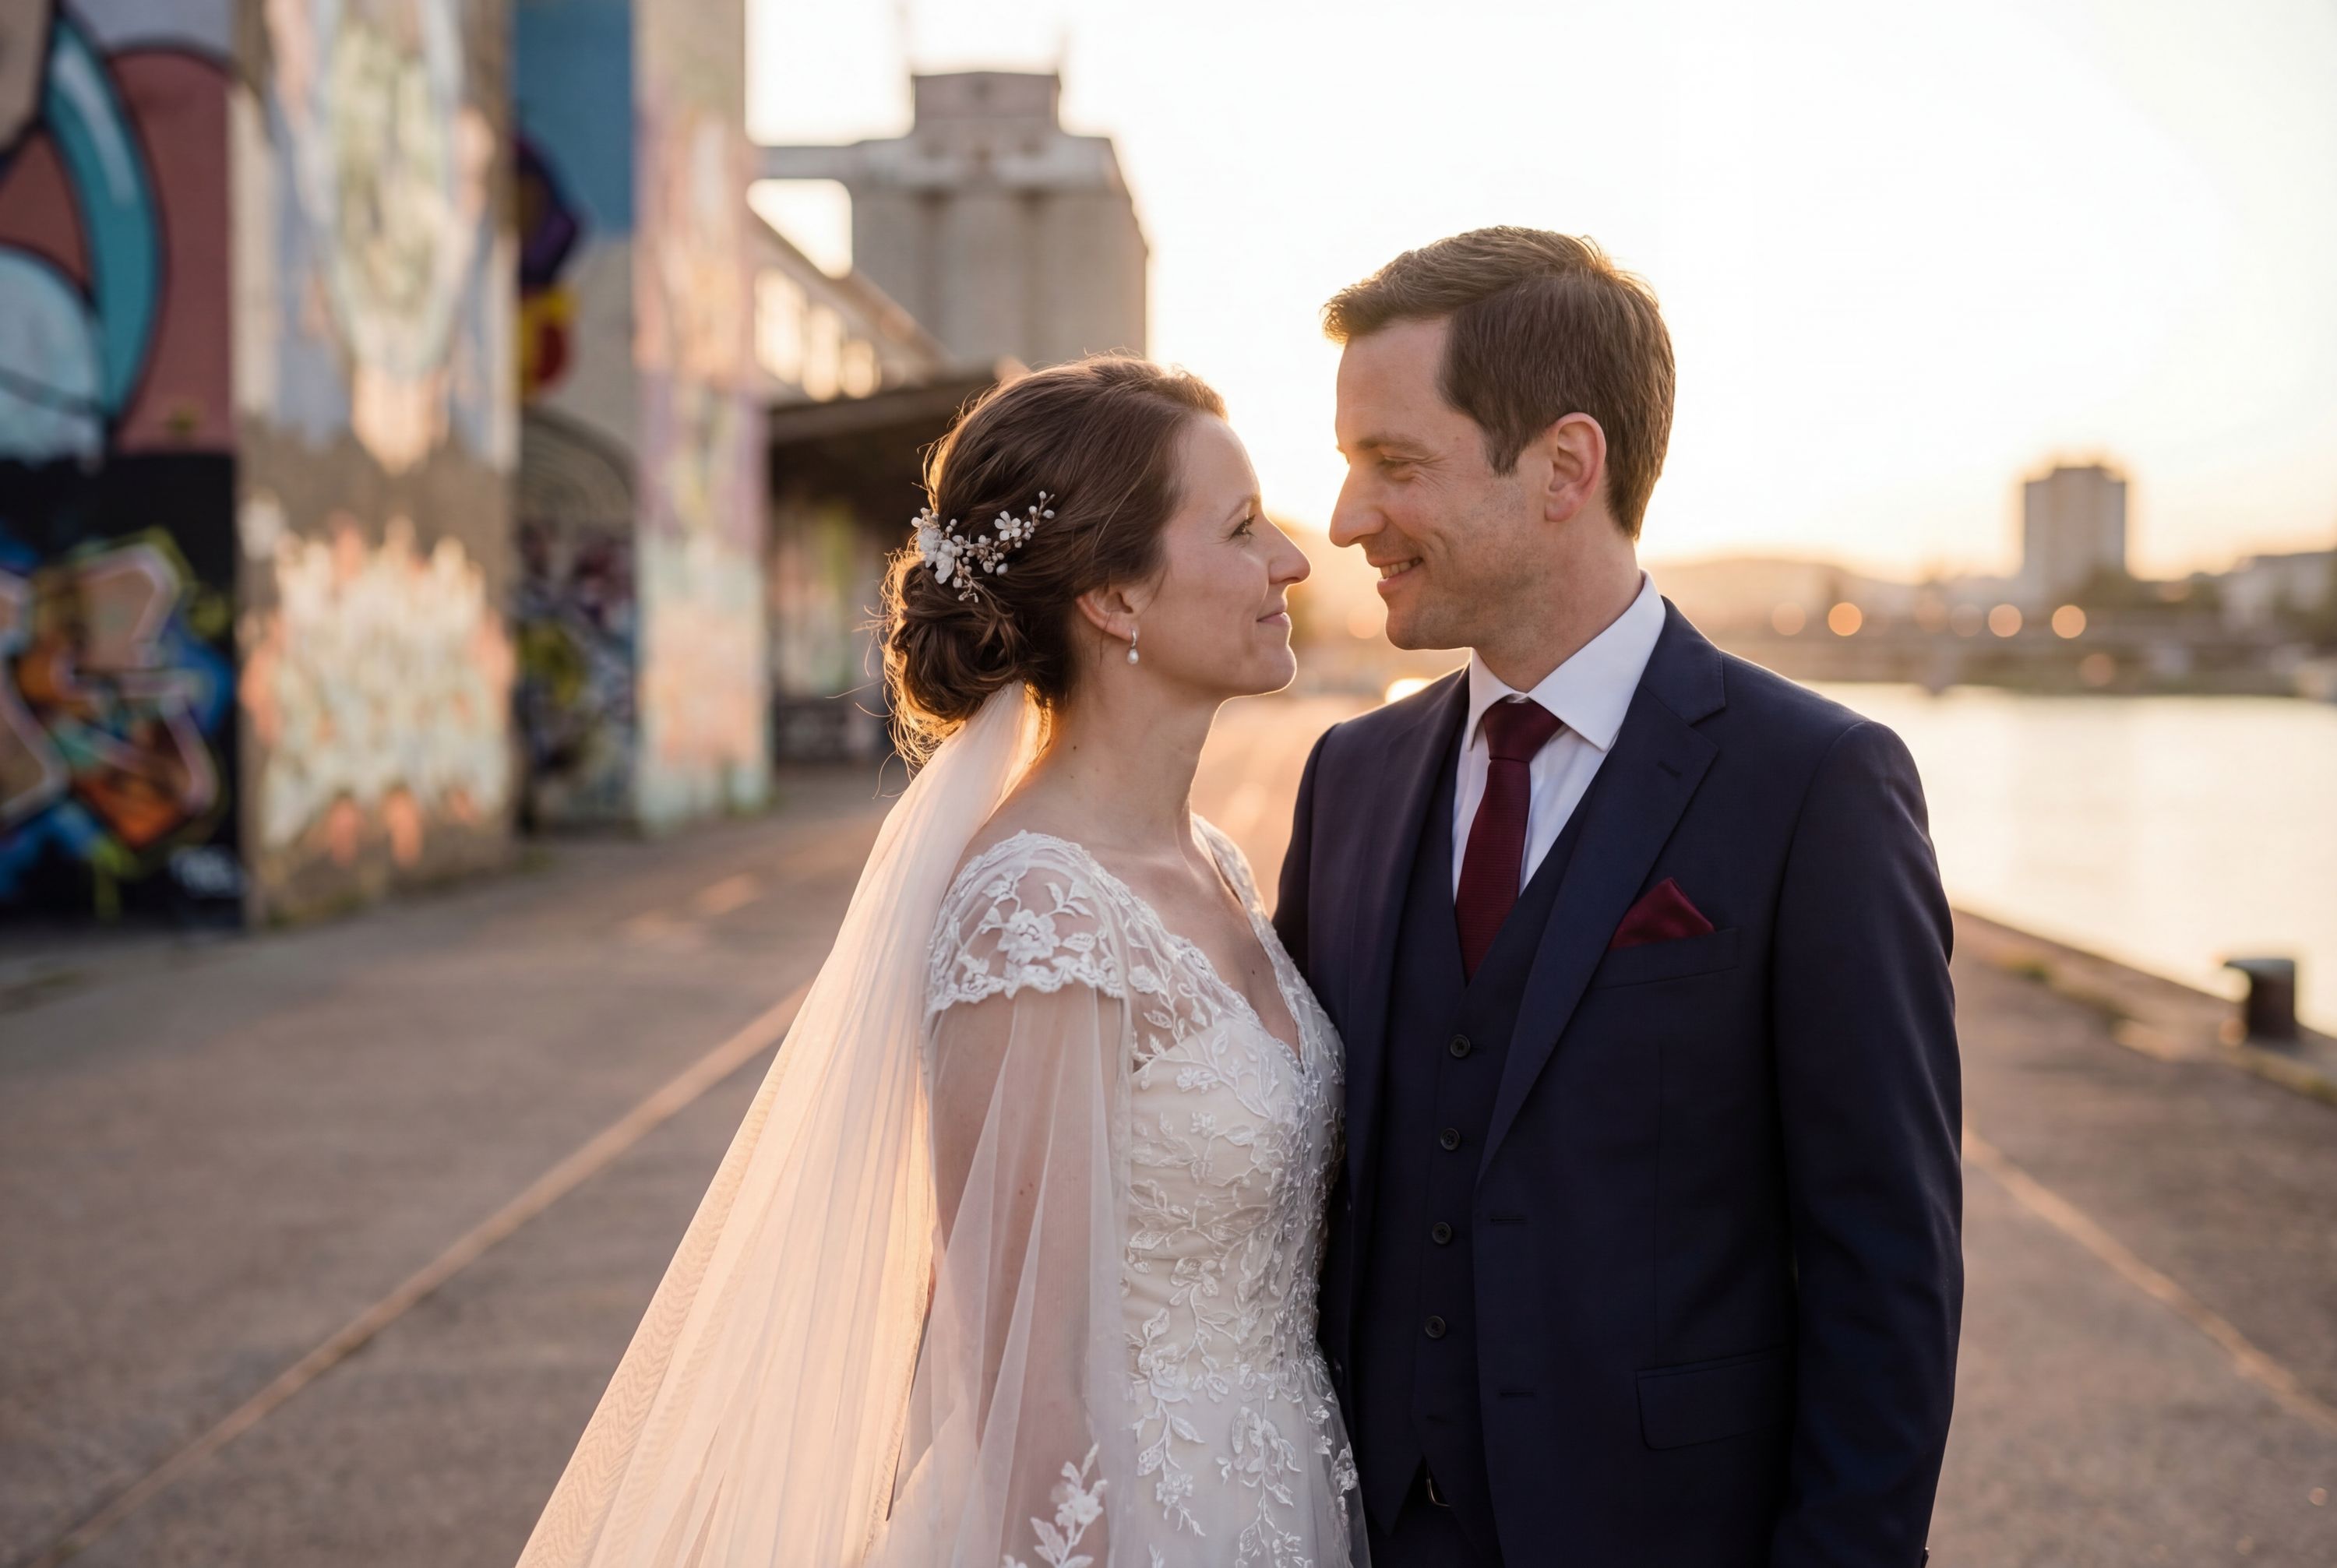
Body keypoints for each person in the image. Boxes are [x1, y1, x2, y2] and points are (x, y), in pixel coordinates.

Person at [516, 357, 1367, 1568]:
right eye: (1239, 529)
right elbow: (1029, 1383)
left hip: (1282, 1483)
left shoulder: (1218, 865)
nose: (1291, 560)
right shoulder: (1039, 909)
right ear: (1115, 599)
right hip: (1137, 1525)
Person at [1274, 227, 1963, 1566]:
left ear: (1565, 468)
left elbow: (1887, 1266)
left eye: (1395, 464)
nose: (1350, 517)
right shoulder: (1348, 779)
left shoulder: (1816, 785)